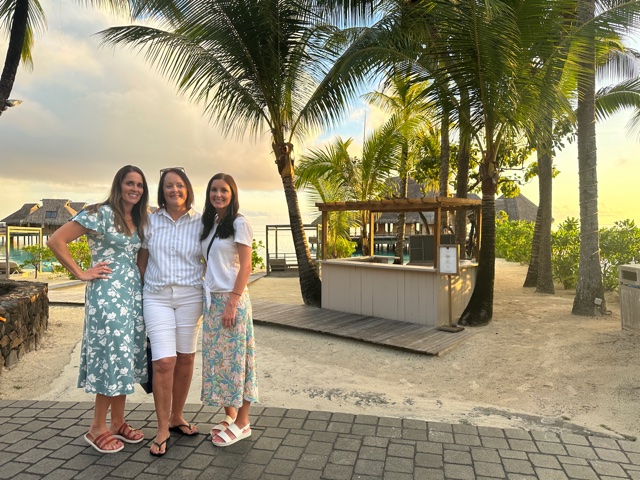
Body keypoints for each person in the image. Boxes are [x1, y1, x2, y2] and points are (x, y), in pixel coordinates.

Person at [47, 165, 149, 454]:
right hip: (106, 295)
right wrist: (80, 273)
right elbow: (56, 240)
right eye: (130, 183)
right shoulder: (99, 213)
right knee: (111, 355)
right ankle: (96, 428)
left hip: (131, 296)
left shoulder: (139, 218)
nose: (135, 189)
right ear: (119, 185)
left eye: (140, 185)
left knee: (125, 355)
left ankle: (117, 422)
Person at [137, 167, 204, 457]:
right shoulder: (150, 221)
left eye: (179, 185)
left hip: (191, 297)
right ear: (161, 191)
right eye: (168, 187)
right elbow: (142, 261)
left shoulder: (202, 222)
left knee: (186, 358)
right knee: (164, 361)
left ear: (187, 188)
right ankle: (162, 427)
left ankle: (177, 416)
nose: (174, 190)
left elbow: (215, 254)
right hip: (157, 297)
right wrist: (145, 290)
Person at [200, 173, 258, 447]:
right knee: (221, 363)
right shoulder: (211, 223)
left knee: (240, 361)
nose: (218, 195)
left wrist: (232, 301)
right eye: (214, 190)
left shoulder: (239, 222)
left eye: (224, 190)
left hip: (231, 300)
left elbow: (246, 266)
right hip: (213, 301)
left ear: (232, 194)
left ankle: (243, 422)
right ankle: (231, 415)